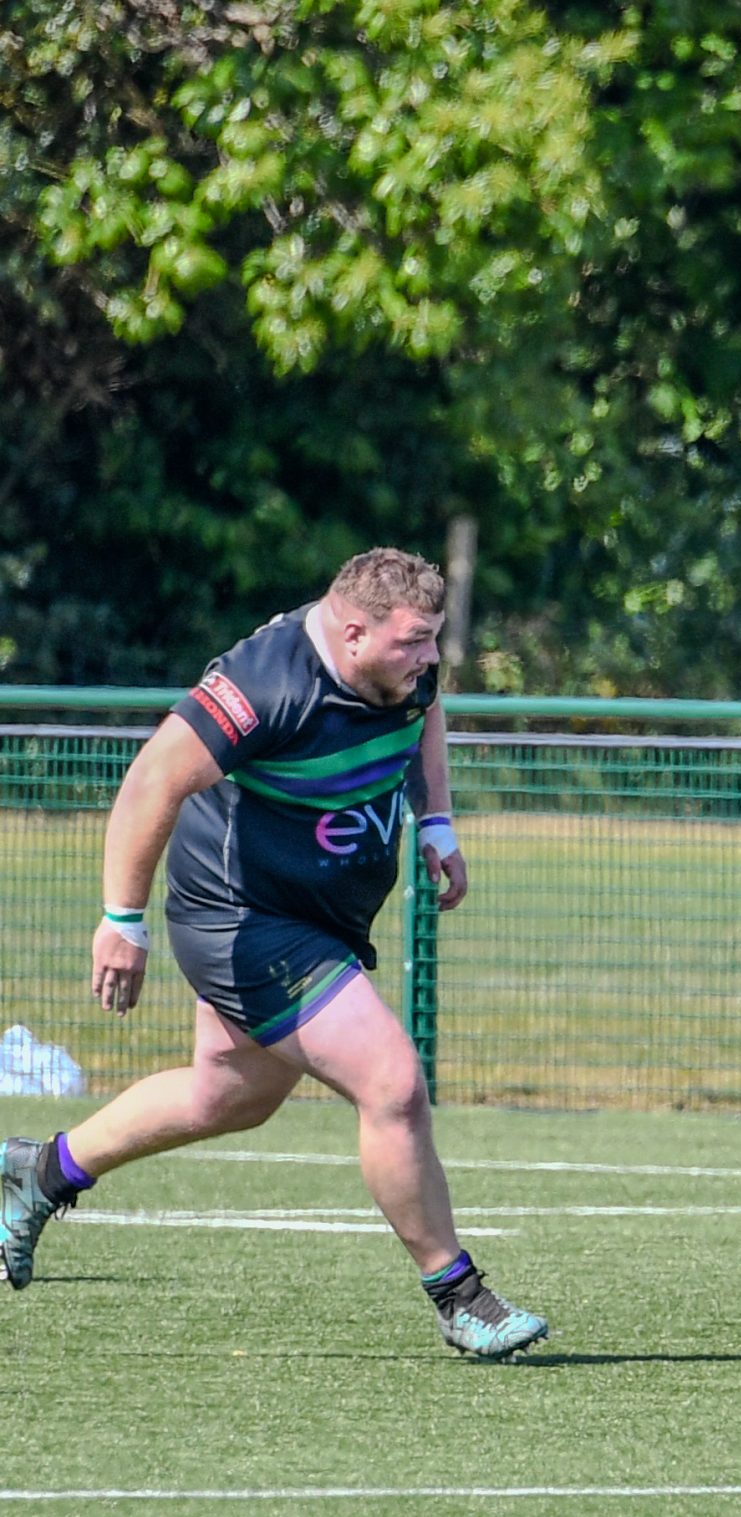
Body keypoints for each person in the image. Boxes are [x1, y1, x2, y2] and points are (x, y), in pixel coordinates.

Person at [0, 548, 549, 1359]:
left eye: (433, 638)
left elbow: (425, 707)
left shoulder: (404, 664)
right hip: (239, 918)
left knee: (229, 1094)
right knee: (392, 1081)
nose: (430, 657)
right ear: (353, 633)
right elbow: (152, 780)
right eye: (414, 641)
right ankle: (460, 1296)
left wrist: (435, 820)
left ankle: (38, 1171)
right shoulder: (265, 684)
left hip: (319, 915)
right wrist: (122, 919)